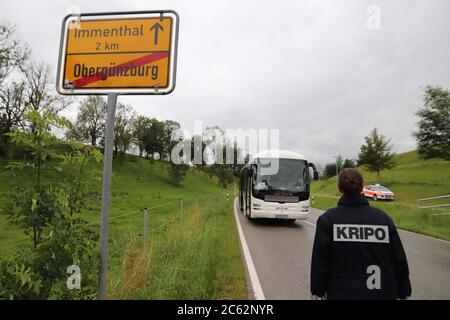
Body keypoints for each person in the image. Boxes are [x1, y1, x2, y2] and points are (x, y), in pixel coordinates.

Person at [310, 168, 412, 300]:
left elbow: (320, 263)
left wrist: (318, 290)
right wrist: (403, 290)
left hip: (341, 294)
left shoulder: (328, 220)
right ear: (362, 187)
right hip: (382, 294)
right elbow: (399, 259)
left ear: (340, 189)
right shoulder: (383, 219)